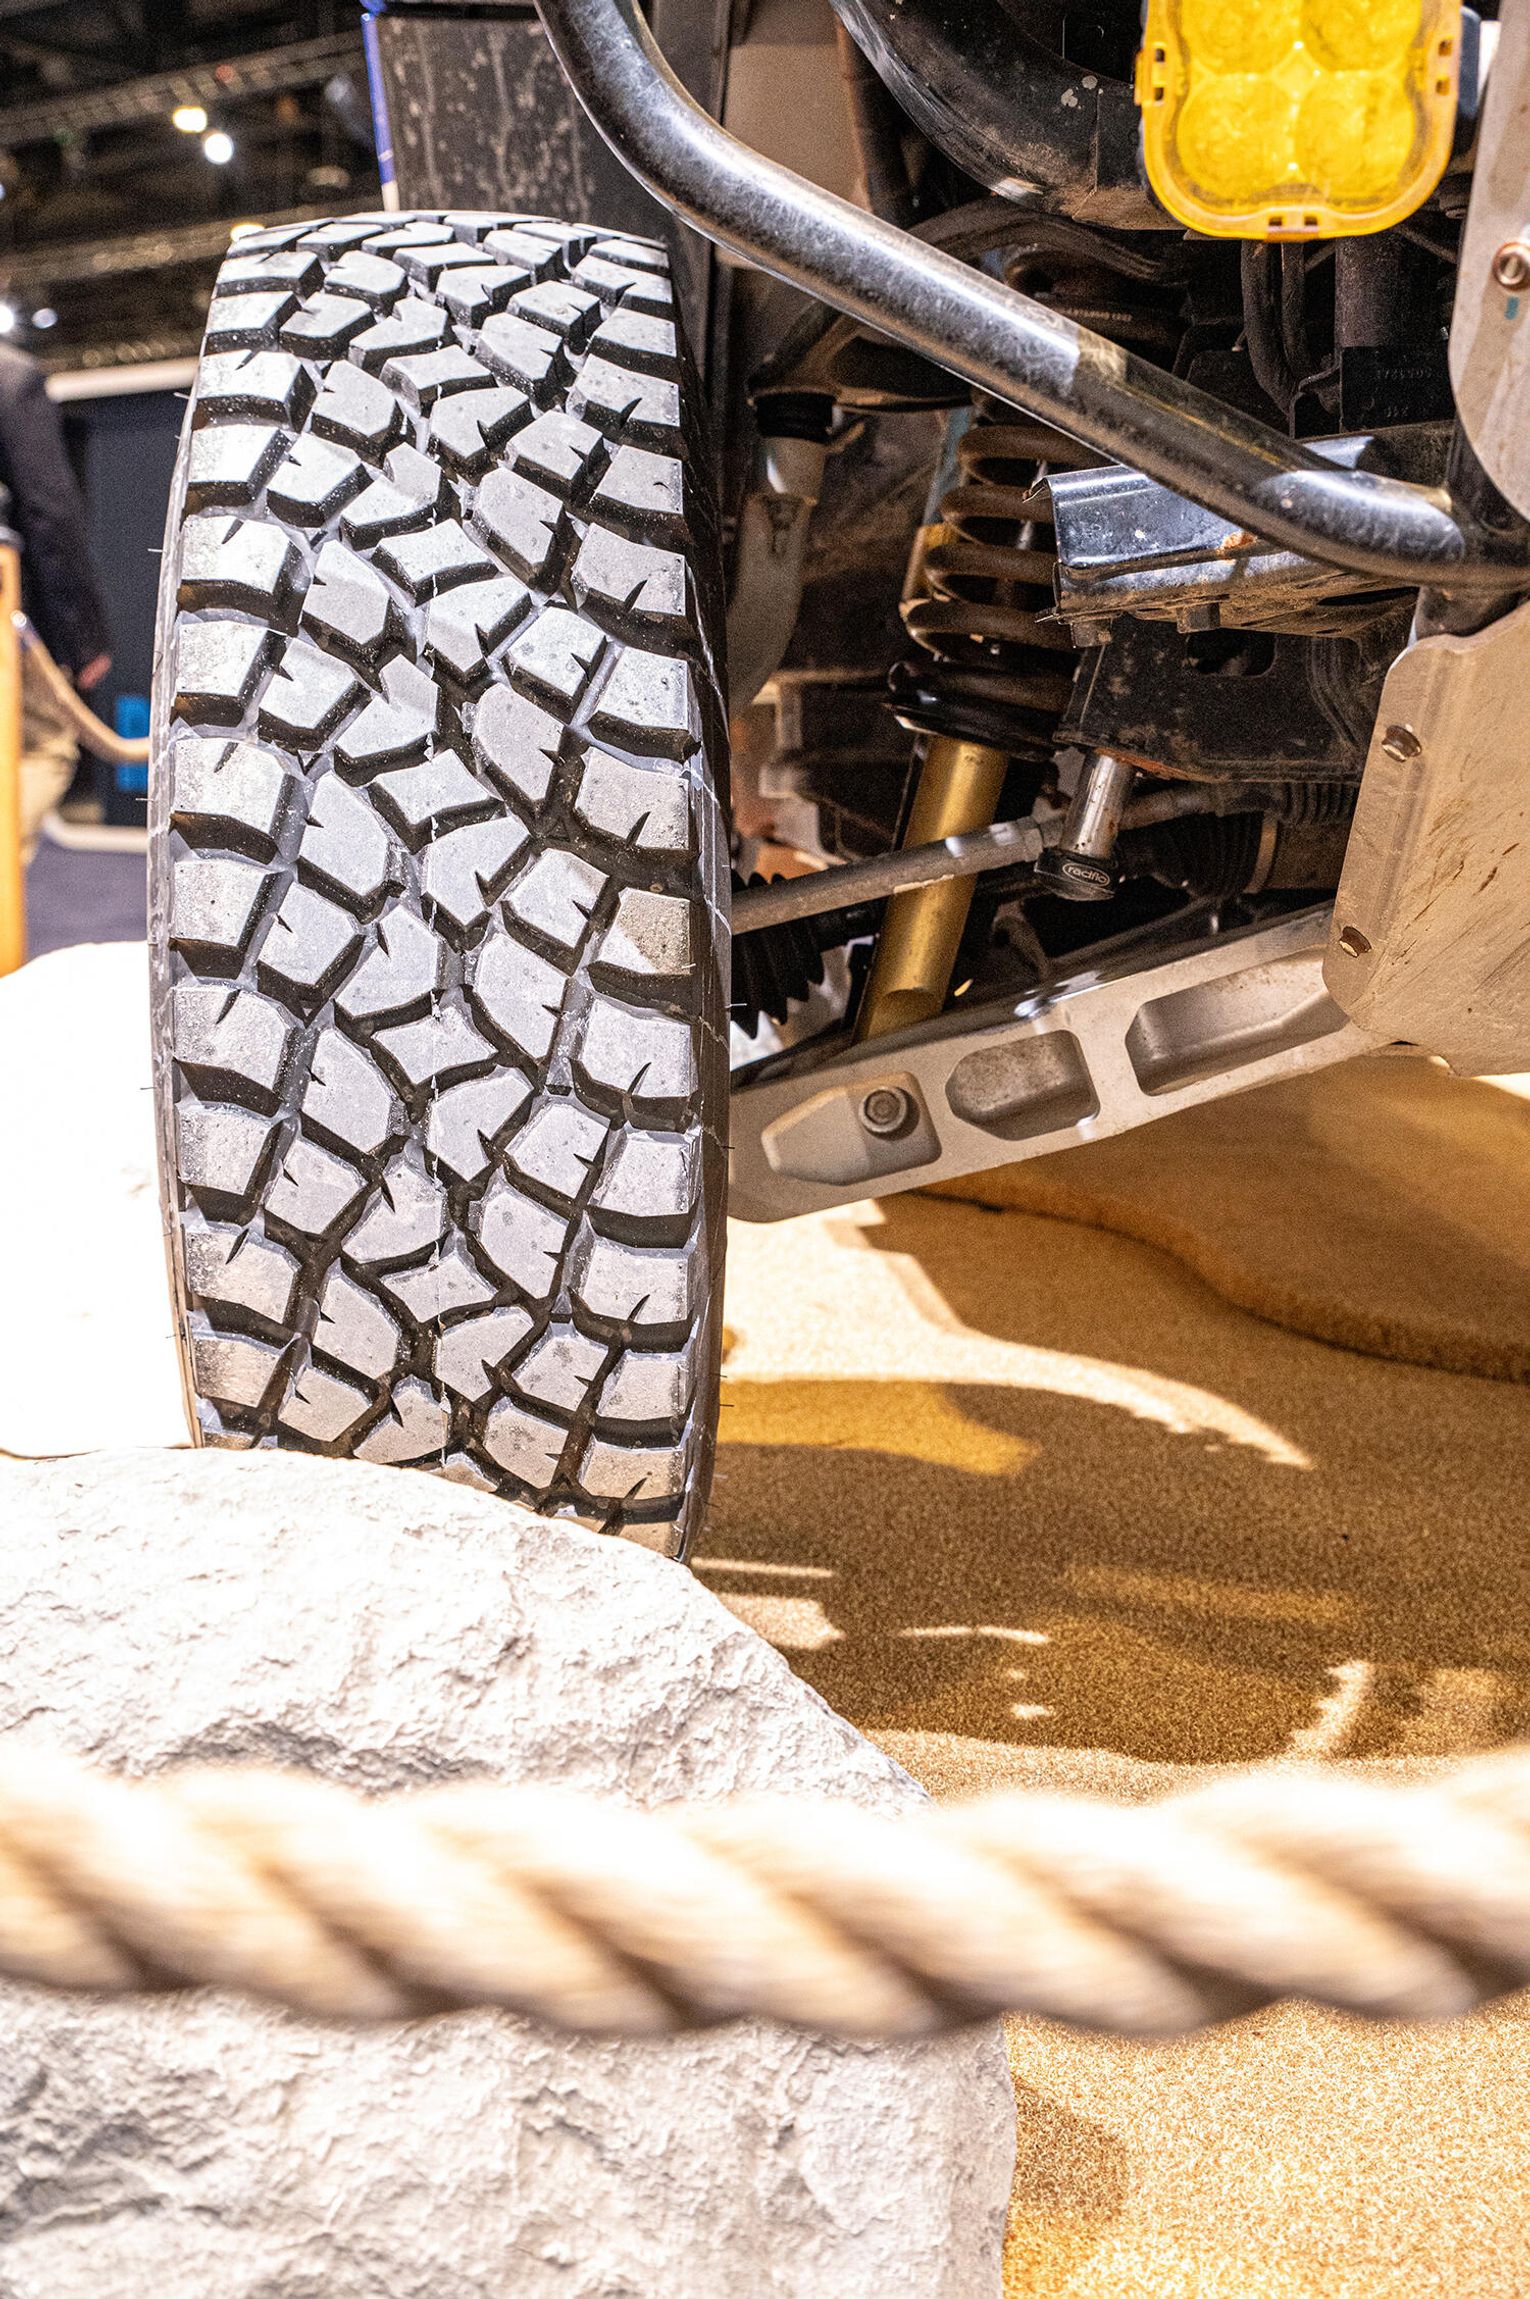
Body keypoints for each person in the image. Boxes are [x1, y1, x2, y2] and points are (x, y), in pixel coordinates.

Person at [0, 342, 111, 862]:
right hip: (8, 622)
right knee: (45, 746)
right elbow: (49, 512)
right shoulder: (10, 378)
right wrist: (85, 636)